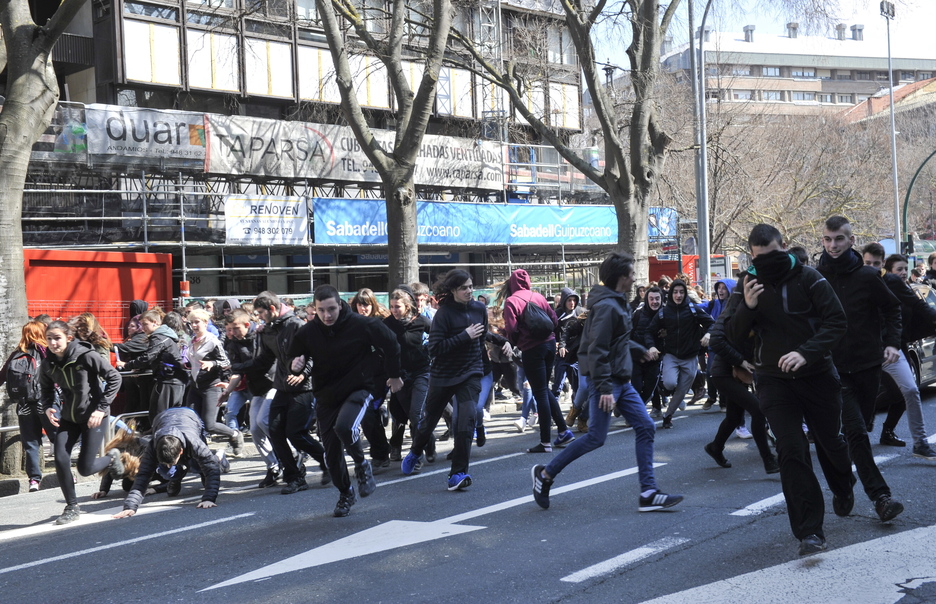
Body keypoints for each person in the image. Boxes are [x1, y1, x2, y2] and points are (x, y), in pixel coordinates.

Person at [723, 224, 855, 556]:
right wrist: (747, 308)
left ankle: (843, 484)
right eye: (758, 259)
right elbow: (731, 337)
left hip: (817, 375)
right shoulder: (749, 284)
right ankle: (810, 532)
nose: (764, 264)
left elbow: (837, 322)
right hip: (773, 381)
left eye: (771, 256)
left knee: (831, 442)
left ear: (784, 245)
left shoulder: (810, 279)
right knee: (791, 451)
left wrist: (807, 352)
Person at [531, 252, 683, 513]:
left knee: (646, 426)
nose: (635, 277)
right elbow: (597, 348)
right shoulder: (607, 306)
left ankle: (648, 492)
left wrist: (638, 349)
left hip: (620, 379)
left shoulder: (616, 301)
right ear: (621, 278)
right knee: (596, 438)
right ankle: (545, 475)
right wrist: (602, 387)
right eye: (632, 274)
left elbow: (617, 341)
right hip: (608, 381)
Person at [816, 217, 904, 524]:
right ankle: (881, 497)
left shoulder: (867, 277)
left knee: (859, 431)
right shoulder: (814, 278)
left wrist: (891, 343)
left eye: (839, 239)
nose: (833, 245)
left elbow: (892, 309)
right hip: (833, 370)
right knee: (854, 432)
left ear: (851, 240)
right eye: (827, 239)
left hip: (868, 368)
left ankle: (844, 484)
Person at [289, 285, 402, 516]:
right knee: (331, 455)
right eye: (321, 310)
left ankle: (362, 465)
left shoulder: (362, 324)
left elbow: (391, 343)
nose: (327, 315)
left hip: (358, 388)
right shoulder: (308, 332)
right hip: (326, 395)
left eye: (331, 309)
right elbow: (296, 354)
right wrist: (296, 365)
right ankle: (345, 493)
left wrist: (394, 375)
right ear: (315, 309)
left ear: (340, 304)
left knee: (345, 426)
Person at [400, 270, 486, 491]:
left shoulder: (479, 309)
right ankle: (416, 450)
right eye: (464, 288)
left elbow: (481, 337)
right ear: (453, 291)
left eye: (470, 286)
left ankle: (457, 474)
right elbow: (435, 349)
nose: (469, 291)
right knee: (428, 422)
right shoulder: (444, 314)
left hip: (470, 373)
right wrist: (464, 336)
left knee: (465, 421)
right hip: (443, 375)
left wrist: (498, 342)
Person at [40, 320, 124, 524]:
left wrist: (101, 408)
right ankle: (71, 507)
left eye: (57, 338)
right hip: (68, 418)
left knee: (85, 469)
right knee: (60, 458)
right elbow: (46, 389)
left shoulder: (86, 356)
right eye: (49, 339)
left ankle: (112, 458)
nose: (53, 343)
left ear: (68, 338)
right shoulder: (48, 363)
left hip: (93, 416)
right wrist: (49, 406)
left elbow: (115, 378)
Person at [245, 291, 329, 495]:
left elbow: (313, 355)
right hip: (282, 386)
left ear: (272, 309)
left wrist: (302, 375)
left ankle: (327, 461)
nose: (259, 317)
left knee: (296, 433)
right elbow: (265, 360)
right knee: (274, 430)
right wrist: (237, 367)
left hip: (304, 387)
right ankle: (295, 477)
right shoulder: (269, 330)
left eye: (261, 312)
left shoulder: (296, 325)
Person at [864, 249, 936, 459]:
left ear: (883, 264)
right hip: (863, 349)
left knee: (910, 390)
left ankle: (920, 442)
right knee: (861, 394)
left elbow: (918, 306)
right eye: (868, 263)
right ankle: (848, 437)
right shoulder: (854, 282)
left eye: (876, 264)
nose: (872, 268)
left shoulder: (893, 283)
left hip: (892, 347)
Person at [704, 292, 779, 474]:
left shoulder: (756, 316)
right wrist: (740, 361)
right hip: (723, 373)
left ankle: (715, 447)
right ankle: (768, 460)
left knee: (733, 417)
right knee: (757, 410)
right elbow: (717, 342)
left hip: (738, 375)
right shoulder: (731, 315)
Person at [502, 269, 574, 452]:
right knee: (543, 389)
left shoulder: (511, 301)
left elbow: (511, 328)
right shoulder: (538, 296)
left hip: (531, 348)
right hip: (550, 345)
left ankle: (545, 442)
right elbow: (554, 319)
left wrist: (517, 340)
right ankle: (564, 431)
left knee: (540, 392)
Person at [113, 407, 227, 518]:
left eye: (171, 462)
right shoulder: (153, 446)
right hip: (163, 418)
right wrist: (130, 506)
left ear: (181, 451)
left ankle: (219, 457)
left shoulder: (195, 443)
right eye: (166, 463)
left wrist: (208, 498)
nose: (169, 465)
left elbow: (211, 468)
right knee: (166, 472)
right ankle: (176, 477)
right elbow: (143, 475)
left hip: (190, 417)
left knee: (201, 466)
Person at [222, 308, 280, 487]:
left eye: (236, 328)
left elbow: (265, 361)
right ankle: (273, 466)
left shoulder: (261, 336)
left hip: (273, 384)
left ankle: (292, 453)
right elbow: (236, 372)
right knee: (255, 429)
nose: (232, 333)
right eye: (229, 329)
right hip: (256, 389)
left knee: (264, 421)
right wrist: (227, 391)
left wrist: (242, 367)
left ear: (247, 325)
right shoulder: (233, 344)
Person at [647, 279, 714, 429]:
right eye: (675, 292)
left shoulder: (693, 309)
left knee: (681, 392)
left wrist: (709, 334)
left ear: (685, 293)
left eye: (681, 292)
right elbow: (649, 332)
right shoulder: (664, 312)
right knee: (670, 383)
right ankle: (668, 392)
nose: (678, 295)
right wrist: (651, 346)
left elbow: (712, 323)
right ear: (671, 294)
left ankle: (667, 416)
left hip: (690, 357)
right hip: (671, 355)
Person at [0, 321, 56, 492]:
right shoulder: (47, 352)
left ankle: (34, 480)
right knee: (58, 438)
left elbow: (2, 376)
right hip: (45, 403)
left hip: (24, 404)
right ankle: (64, 473)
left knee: (31, 442)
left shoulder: (16, 354)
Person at [184, 308, 243, 456]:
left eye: (197, 322)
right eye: (191, 322)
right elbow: (194, 361)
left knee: (209, 424)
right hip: (195, 386)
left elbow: (226, 361)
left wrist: (213, 363)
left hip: (212, 385)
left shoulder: (212, 340)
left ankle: (234, 435)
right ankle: (200, 453)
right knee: (191, 421)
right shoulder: (192, 340)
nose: (194, 325)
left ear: (205, 322)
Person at [384, 286, 433, 462]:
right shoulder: (387, 324)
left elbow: (438, 336)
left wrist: (434, 354)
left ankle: (416, 454)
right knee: (404, 415)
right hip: (399, 377)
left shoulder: (420, 321)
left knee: (416, 414)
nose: (394, 310)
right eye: (392, 306)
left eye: (398, 306)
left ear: (407, 306)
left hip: (421, 372)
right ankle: (429, 441)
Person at [116, 309, 188, 424]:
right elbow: (154, 357)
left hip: (168, 380)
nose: (143, 328)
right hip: (173, 379)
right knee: (166, 414)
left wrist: (127, 365)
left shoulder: (159, 337)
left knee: (160, 415)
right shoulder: (165, 335)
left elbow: (147, 357)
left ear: (155, 322)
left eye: (145, 324)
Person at [632, 287, 663, 417]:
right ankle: (632, 411)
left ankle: (634, 410)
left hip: (655, 360)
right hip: (638, 358)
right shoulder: (638, 313)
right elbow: (630, 333)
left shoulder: (666, 314)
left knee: (649, 390)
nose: (654, 302)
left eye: (657, 299)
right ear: (646, 300)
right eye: (651, 299)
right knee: (636, 388)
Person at [551, 287, 585, 408]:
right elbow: (551, 332)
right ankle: (552, 414)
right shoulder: (557, 315)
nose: (572, 303)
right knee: (557, 386)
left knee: (578, 387)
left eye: (574, 300)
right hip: (561, 355)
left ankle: (576, 411)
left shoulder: (581, 313)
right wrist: (556, 343)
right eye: (569, 300)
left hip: (576, 355)